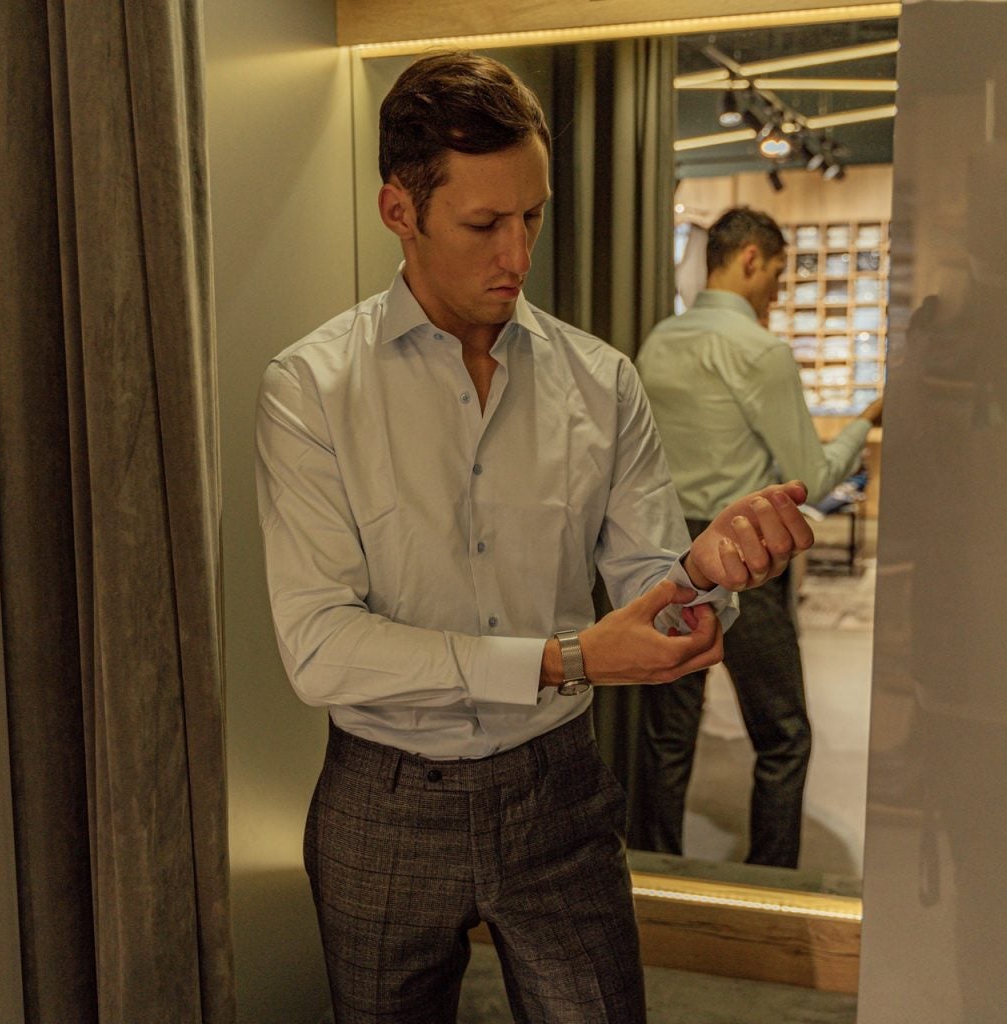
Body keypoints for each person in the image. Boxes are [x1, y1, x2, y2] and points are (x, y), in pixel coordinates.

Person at [254, 55, 815, 1024]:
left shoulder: (601, 381)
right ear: (399, 210)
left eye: (533, 216)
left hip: (556, 791)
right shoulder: (311, 389)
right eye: (484, 224)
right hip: (383, 802)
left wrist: (702, 569)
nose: (517, 253)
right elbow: (320, 648)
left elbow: (654, 598)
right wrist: (565, 659)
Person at [631, 207, 883, 869]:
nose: (777, 290)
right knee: (783, 735)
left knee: (667, 734)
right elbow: (811, 476)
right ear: (749, 259)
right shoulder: (759, 350)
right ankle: (772, 883)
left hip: (665, 553)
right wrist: (865, 421)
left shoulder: (658, 341)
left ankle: (658, 877)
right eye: (776, 273)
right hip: (742, 555)